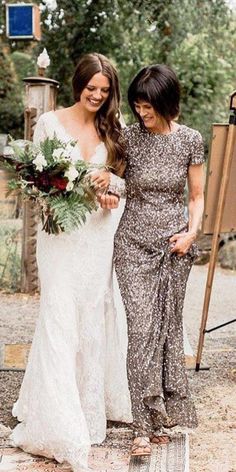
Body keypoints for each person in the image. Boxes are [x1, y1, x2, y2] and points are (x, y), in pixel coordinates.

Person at [10, 53, 132, 472]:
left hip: (97, 236)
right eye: (91, 88)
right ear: (78, 83)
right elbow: (36, 186)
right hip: (61, 239)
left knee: (90, 317)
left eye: (104, 90)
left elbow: (122, 184)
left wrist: (111, 189)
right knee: (59, 316)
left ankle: (86, 407)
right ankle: (57, 417)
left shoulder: (112, 130)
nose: (97, 96)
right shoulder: (49, 124)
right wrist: (63, 188)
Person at [112, 64, 205, 455]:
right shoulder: (128, 138)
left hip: (174, 248)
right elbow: (113, 180)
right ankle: (139, 426)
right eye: (137, 105)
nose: (142, 113)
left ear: (167, 103)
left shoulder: (191, 140)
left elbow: (197, 197)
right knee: (141, 330)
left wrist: (191, 234)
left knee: (166, 331)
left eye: (149, 106)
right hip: (132, 243)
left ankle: (159, 416)